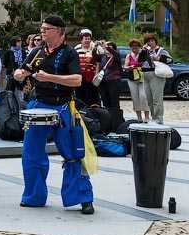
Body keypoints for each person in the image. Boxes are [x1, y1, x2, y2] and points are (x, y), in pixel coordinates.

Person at [13, 15, 94, 214]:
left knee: (73, 153)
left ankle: (83, 197)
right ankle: (34, 197)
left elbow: (77, 80)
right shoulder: (36, 52)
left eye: (47, 29)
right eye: (42, 28)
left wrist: (49, 77)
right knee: (31, 153)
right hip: (39, 104)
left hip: (63, 106)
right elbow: (21, 71)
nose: (43, 31)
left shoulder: (69, 53)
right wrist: (19, 74)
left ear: (59, 32)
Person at [138, 34, 171, 124]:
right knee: (149, 98)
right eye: (148, 41)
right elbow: (139, 60)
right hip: (145, 74)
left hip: (156, 74)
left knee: (157, 98)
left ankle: (159, 118)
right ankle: (153, 117)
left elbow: (170, 60)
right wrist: (143, 51)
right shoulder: (145, 51)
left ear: (155, 41)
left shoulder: (161, 50)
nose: (150, 43)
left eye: (152, 41)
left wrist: (157, 57)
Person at [95, 40, 124, 116]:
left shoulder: (116, 57)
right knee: (105, 102)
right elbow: (94, 56)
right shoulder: (102, 57)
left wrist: (106, 46)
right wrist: (96, 46)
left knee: (114, 102)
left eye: (109, 48)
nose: (107, 49)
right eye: (106, 48)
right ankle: (108, 120)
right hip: (103, 82)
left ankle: (116, 120)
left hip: (114, 81)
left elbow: (114, 52)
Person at [125, 39, 149, 123]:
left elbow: (147, 64)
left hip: (142, 78)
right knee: (135, 98)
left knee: (143, 97)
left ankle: (146, 116)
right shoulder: (129, 55)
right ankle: (139, 117)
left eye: (136, 46)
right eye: (132, 46)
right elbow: (125, 66)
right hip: (132, 78)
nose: (134, 48)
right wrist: (129, 67)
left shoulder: (143, 54)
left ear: (139, 47)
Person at [75, 29, 100, 108]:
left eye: (89, 39)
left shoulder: (94, 49)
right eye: (85, 39)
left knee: (91, 96)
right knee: (79, 95)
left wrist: (96, 74)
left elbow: (97, 63)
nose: (87, 40)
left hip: (91, 77)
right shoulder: (76, 49)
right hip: (80, 76)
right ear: (81, 40)